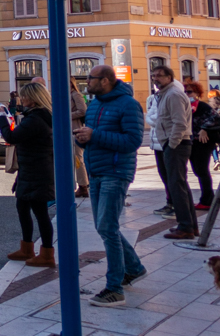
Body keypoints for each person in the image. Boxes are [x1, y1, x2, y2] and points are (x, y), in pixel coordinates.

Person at [75, 65, 147, 307]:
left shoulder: (128, 105)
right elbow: (93, 135)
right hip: (96, 171)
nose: (87, 82)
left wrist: (94, 135)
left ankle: (115, 288)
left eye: (90, 78)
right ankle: (134, 268)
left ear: (105, 80)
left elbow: (132, 141)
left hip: (115, 172)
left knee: (107, 227)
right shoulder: (95, 104)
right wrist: (83, 138)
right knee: (103, 226)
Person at [0, 82, 56, 268]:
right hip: (32, 169)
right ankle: (27, 248)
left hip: (37, 171)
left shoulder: (35, 119)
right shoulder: (39, 116)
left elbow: (11, 137)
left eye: (24, 96)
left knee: (40, 212)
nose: (22, 99)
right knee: (23, 207)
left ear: (34, 98)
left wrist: (0, 117)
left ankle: (46, 254)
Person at [152, 65, 197, 239]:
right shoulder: (164, 94)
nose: (155, 78)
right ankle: (190, 225)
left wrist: (172, 144)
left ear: (169, 77)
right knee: (180, 185)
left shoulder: (173, 95)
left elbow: (180, 123)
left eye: (159, 75)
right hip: (173, 144)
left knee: (176, 186)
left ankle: (185, 227)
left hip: (177, 145)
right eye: (154, 75)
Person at [187, 81, 220, 210]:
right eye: (185, 92)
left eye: (190, 92)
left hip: (203, 143)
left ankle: (207, 200)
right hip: (190, 142)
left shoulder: (202, 106)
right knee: (197, 170)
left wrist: (204, 128)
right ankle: (206, 199)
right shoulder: (185, 106)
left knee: (201, 170)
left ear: (197, 93)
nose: (187, 94)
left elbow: (216, 119)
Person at [145, 80, 173, 220]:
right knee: (164, 174)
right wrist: (153, 119)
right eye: (154, 78)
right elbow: (150, 117)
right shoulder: (153, 98)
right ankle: (170, 202)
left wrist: (153, 120)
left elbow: (160, 118)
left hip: (167, 141)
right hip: (156, 141)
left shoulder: (171, 95)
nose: (156, 81)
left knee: (173, 176)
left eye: (160, 77)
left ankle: (177, 206)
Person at [69, 76, 89, 198]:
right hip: (67, 130)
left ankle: (83, 186)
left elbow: (83, 111)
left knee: (78, 159)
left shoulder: (75, 95)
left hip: (75, 130)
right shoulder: (65, 95)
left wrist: (66, 114)